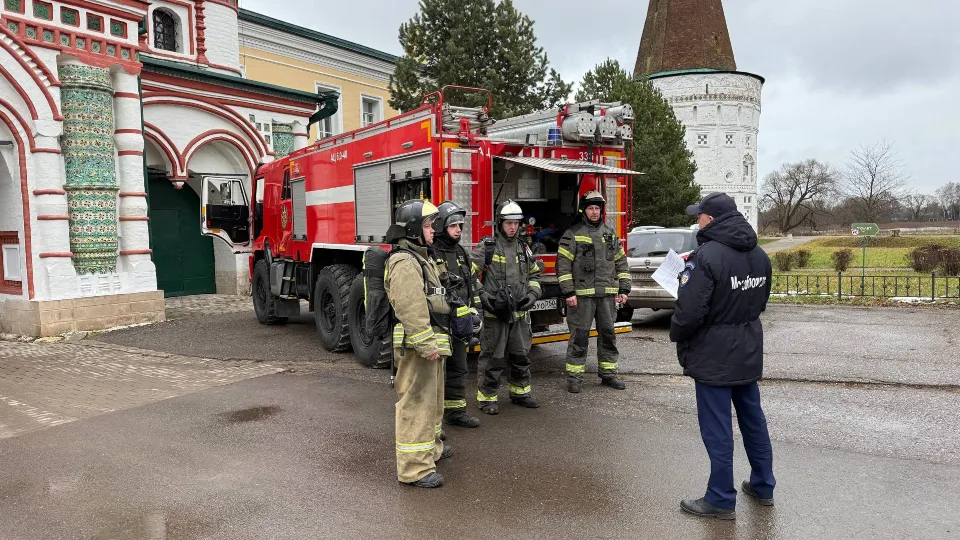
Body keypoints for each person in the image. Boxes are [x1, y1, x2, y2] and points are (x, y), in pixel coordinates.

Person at [670, 192, 775, 519]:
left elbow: (689, 314)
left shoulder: (705, 257)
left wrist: (677, 333)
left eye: (699, 216)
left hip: (713, 354)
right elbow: (759, 304)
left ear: (710, 220)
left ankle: (719, 498)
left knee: (717, 429)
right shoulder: (760, 255)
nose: (696, 220)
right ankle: (763, 485)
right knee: (753, 420)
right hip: (747, 348)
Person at [384, 199, 454, 488]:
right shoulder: (404, 261)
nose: (433, 230)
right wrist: (426, 345)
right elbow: (410, 307)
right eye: (427, 225)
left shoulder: (420, 256)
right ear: (413, 228)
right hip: (418, 347)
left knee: (432, 404)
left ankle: (430, 450)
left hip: (430, 344)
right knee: (416, 404)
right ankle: (414, 469)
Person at [556, 191, 631, 393]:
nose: (595, 212)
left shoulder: (610, 233)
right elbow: (563, 266)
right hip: (581, 297)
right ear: (584, 210)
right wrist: (569, 292)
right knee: (579, 337)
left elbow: (621, 263)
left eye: (598, 208)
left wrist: (624, 288)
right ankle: (575, 378)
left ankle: (608, 375)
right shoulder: (572, 234)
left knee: (608, 335)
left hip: (606, 296)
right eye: (591, 208)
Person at [473, 200, 543, 414]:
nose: (513, 227)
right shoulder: (487, 247)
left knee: (521, 355)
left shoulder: (523, 247)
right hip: (496, 315)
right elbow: (469, 276)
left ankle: (521, 393)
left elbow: (534, 274)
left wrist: (532, 294)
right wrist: (484, 298)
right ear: (499, 223)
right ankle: (487, 399)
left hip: (520, 315)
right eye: (508, 223)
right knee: (494, 357)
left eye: (516, 223)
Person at [432, 201, 483, 429]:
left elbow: (473, 285)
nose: (459, 230)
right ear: (442, 225)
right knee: (435, 374)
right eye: (454, 225)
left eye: (461, 225)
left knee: (458, 367)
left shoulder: (462, 252)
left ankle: (456, 412)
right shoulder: (431, 252)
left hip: (460, 324)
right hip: (439, 324)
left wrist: (478, 313)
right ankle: (432, 422)